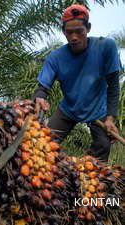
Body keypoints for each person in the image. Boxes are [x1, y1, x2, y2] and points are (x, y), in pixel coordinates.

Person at [32, 4, 121, 162]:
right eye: (69, 32)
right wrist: (39, 97)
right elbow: (42, 87)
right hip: (69, 109)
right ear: (63, 32)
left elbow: (113, 86)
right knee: (43, 144)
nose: (74, 37)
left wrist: (110, 118)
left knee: (103, 146)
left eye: (79, 31)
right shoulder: (56, 58)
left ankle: (88, 177)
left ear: (88, 28)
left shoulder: (106, 47)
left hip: (98, 111)